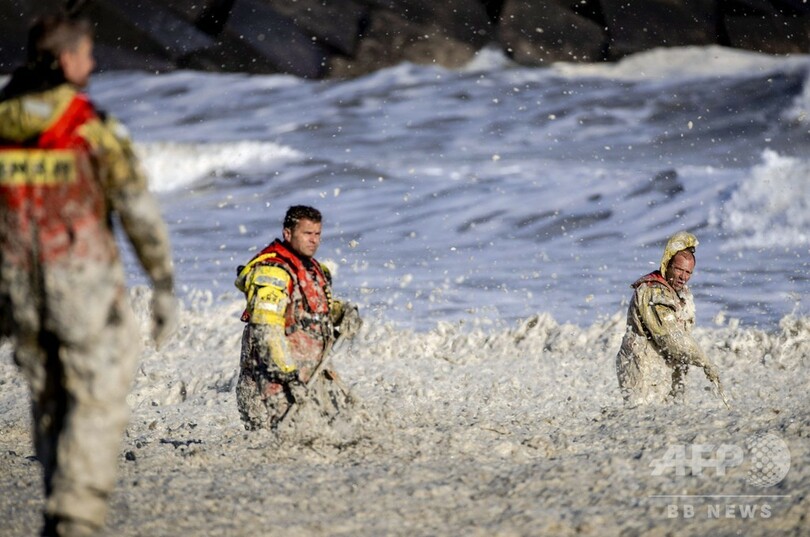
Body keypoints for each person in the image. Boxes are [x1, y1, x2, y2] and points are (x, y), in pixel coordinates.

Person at [0, 14, 177, 537]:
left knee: (49, 397)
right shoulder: (88, 126)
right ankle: (75, 517)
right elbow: (137, 209)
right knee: (97, 397)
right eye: (86, 53)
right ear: (65, 59)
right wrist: (163, 283)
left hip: (16, 288)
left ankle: (58, 499)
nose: (93, 62)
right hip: (82, 284)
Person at [235, 205, 362, 430]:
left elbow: (314, 307)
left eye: (317, 234)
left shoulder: (313, 269)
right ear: (288, 233)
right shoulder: (272, 272)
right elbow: (266, 331)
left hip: (311, 372)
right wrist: (288, 376)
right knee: (284, 437)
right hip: (274, 378)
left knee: (338, 428)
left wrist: (343, 313)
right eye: (307, 233)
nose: (314, 240)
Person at [615, 231, 728, 407]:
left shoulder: (678, 293)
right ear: (667, 265)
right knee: (642, 415)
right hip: (641, 366)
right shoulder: (653, 292)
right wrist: (704, 362)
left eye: (688, 272)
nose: (683, 277)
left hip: (664, 366)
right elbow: (671, 337)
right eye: (679, 269)